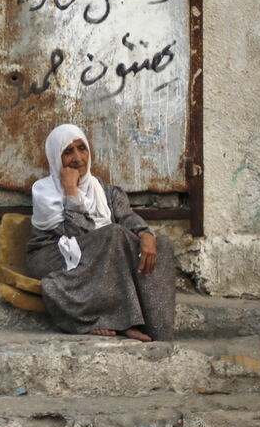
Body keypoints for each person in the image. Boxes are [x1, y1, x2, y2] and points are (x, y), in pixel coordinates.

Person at [26, 124, 175, 341]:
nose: (78, 158)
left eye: (82, 148)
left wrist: (146, 233)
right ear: (55, 157)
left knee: (161, 245)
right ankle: (121, 321)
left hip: (99, 251)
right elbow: (77, 234)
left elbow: (126, 216)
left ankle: (159, 331)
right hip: (53, 254)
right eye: (68, 152)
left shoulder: (105, 190)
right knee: (114, 234)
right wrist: (71, 191)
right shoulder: (45, 192)